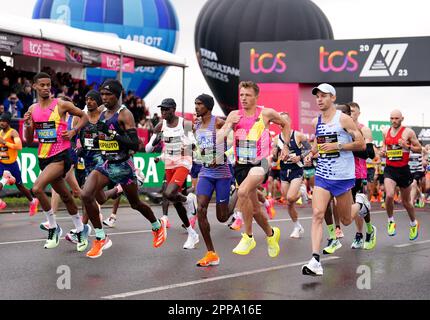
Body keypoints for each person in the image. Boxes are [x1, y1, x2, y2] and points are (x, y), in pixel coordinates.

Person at [80, 79, 167, 258]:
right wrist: (98, 140)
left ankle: (157, 226)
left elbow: (134, 144)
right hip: (105, 164)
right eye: (102, 94)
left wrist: (111, 133)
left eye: (108, 94)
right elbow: (103, 136)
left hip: (123, 165)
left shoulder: (124, 114)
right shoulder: (102, 113)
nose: (104, 98)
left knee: (135, 203)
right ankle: (100, 237)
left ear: (117, 95)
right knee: (86, 195)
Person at [217, 81, 290, 258]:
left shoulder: (266, 114)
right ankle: (272, 235)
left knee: (242, 192)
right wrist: (228, 126)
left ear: (256, 96)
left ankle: (248, 237)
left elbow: (285, 124)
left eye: (248, 95)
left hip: (262, 163)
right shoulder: (234, 115)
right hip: (241, 165)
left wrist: (285, 146)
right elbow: (219, 139)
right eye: (241, 95)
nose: (244, 98)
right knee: (255, 210)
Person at [301, 83, 368, 276]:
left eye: (324, 96)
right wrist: (311, 153)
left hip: (343, 176)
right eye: (317, 96)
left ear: (333, 98)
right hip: (322, 174)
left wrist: (338, 146)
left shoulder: (344, 119)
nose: (319, 99)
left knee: (346, 219)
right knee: (317, 214)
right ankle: (315, 260)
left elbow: (361, 144)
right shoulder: (318, 121)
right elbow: (319, 143)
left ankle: (361, 205)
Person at [23, 72, 89, 251]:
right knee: (66, 196)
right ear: (35, 86)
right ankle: (81, 230)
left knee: (36, 188)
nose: (46, 88)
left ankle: (53, 228)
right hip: (43, 157)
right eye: (42, 85)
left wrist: (74, 131)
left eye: (48, 85)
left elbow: (84, 116)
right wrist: (28, 125)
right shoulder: (32, 109)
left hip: (61, 155)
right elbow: (29, 140)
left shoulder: (61, 104)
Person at [145, 98, 198, 249]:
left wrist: (185, 146)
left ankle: (188, 202)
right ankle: (191, 233)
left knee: (168, 193)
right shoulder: (160, 126)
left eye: (166, 109)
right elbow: (148, 148)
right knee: (174, 200)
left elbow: (193, 145)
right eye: (161, 109)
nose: (163, 112)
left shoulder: (185, 124)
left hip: (183, 162)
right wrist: (155, 141)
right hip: (169, 164)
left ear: (173, 109)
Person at [193, 94, 233, 267]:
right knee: (200, 208)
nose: (196, 107)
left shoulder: (218, 122)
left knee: (222, 217)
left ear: (208, 106)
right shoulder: (196, 126)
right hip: (206, 172)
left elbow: (234, 140)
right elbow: (200, 149)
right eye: (195, 104)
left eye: (199, 104)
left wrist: (223, 156)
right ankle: (211, 253)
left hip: (222, 174)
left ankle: (239, 192)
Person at [381, 110, 421, 239]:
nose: (394, 121)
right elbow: (384, 146)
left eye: (396, 118)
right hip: (390, 169)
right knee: (389, 195)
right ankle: (391, 221)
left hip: (403, 170)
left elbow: (419, 148)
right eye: (392, 118)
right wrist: (382, 151)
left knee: (406, 202)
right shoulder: (385, 131)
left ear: (402, 118)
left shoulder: (408, 132)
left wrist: (406, 145)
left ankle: (413, 223)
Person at [273, 112, 311, 238]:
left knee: (290, 197)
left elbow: (309, 149)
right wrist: (277, 155)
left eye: (284, 121)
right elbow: (274, 156)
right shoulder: (277, 139)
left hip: (296, 170)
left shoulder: (298, 135)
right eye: (279, 122)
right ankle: (297, 227)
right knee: (289, 203)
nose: (282, 124)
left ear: (289, 122)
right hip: (284, 171)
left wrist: (300, 156)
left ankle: (303, 191)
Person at [0, 112, 39, 214]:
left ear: (8, 122)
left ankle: (33, 201)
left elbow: (19, 146)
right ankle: (0, 202)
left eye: (4, 121)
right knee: (2, 181)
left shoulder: (13, 133)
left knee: (20, 186)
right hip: (1, 163)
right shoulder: (0, 133)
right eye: (0, 121)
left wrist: (4, 142)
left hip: (12, 164)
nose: (1, 123)